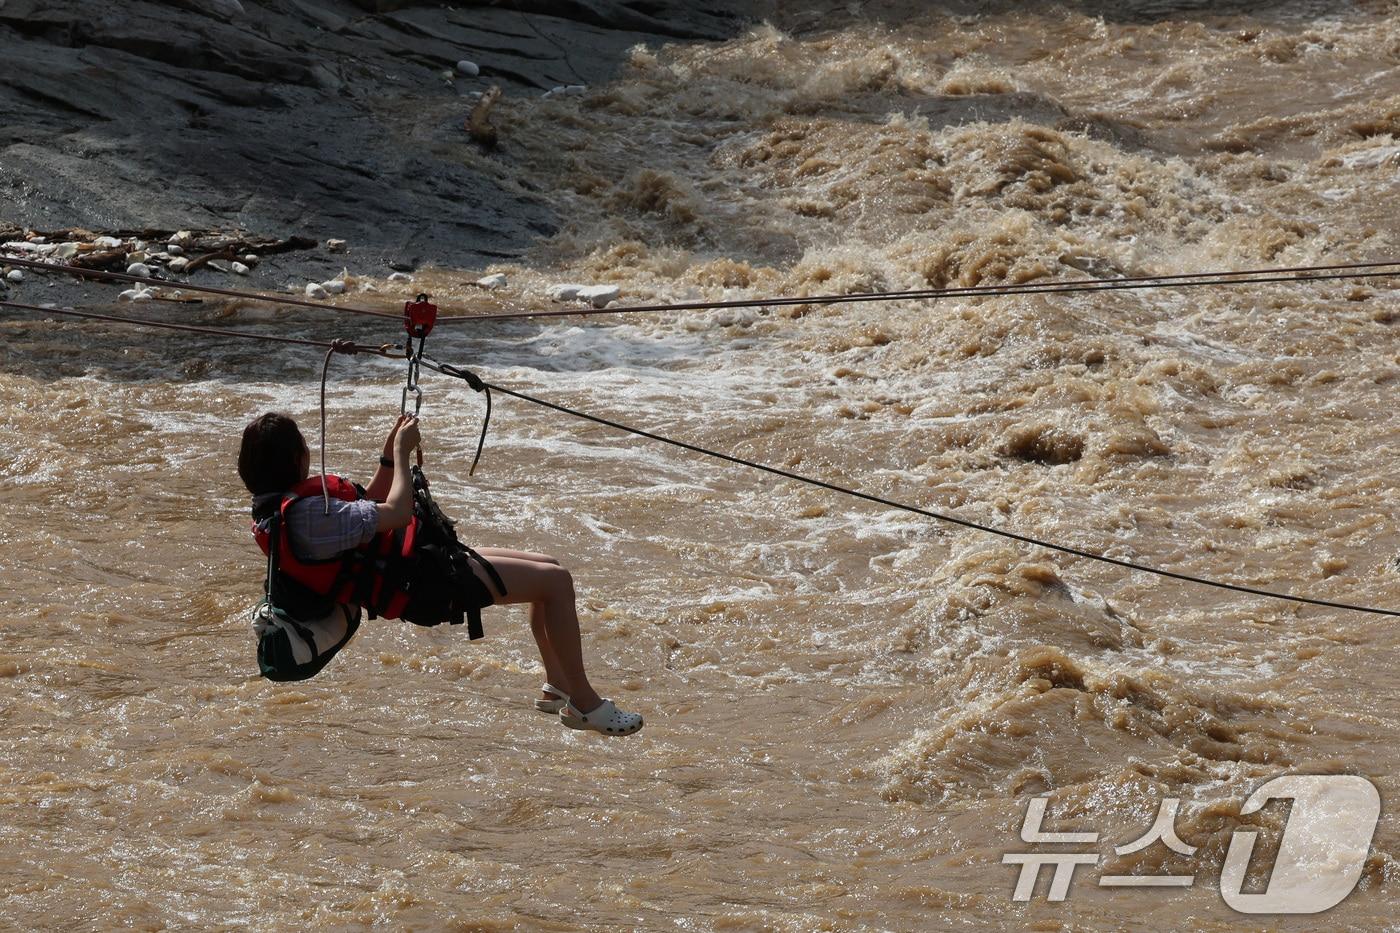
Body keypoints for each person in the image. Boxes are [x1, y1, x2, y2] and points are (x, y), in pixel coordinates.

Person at [236, 411, 643, 736]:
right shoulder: (307, 518)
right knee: (556, 584)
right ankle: (585, 705)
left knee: (550, 570)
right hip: (422, 585)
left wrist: (388, 454)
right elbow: (395, 513)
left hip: (422, 564)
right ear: (295, 459)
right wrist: (401, 450)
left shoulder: (289, 512)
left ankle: (558, 686)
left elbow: (373, 503)